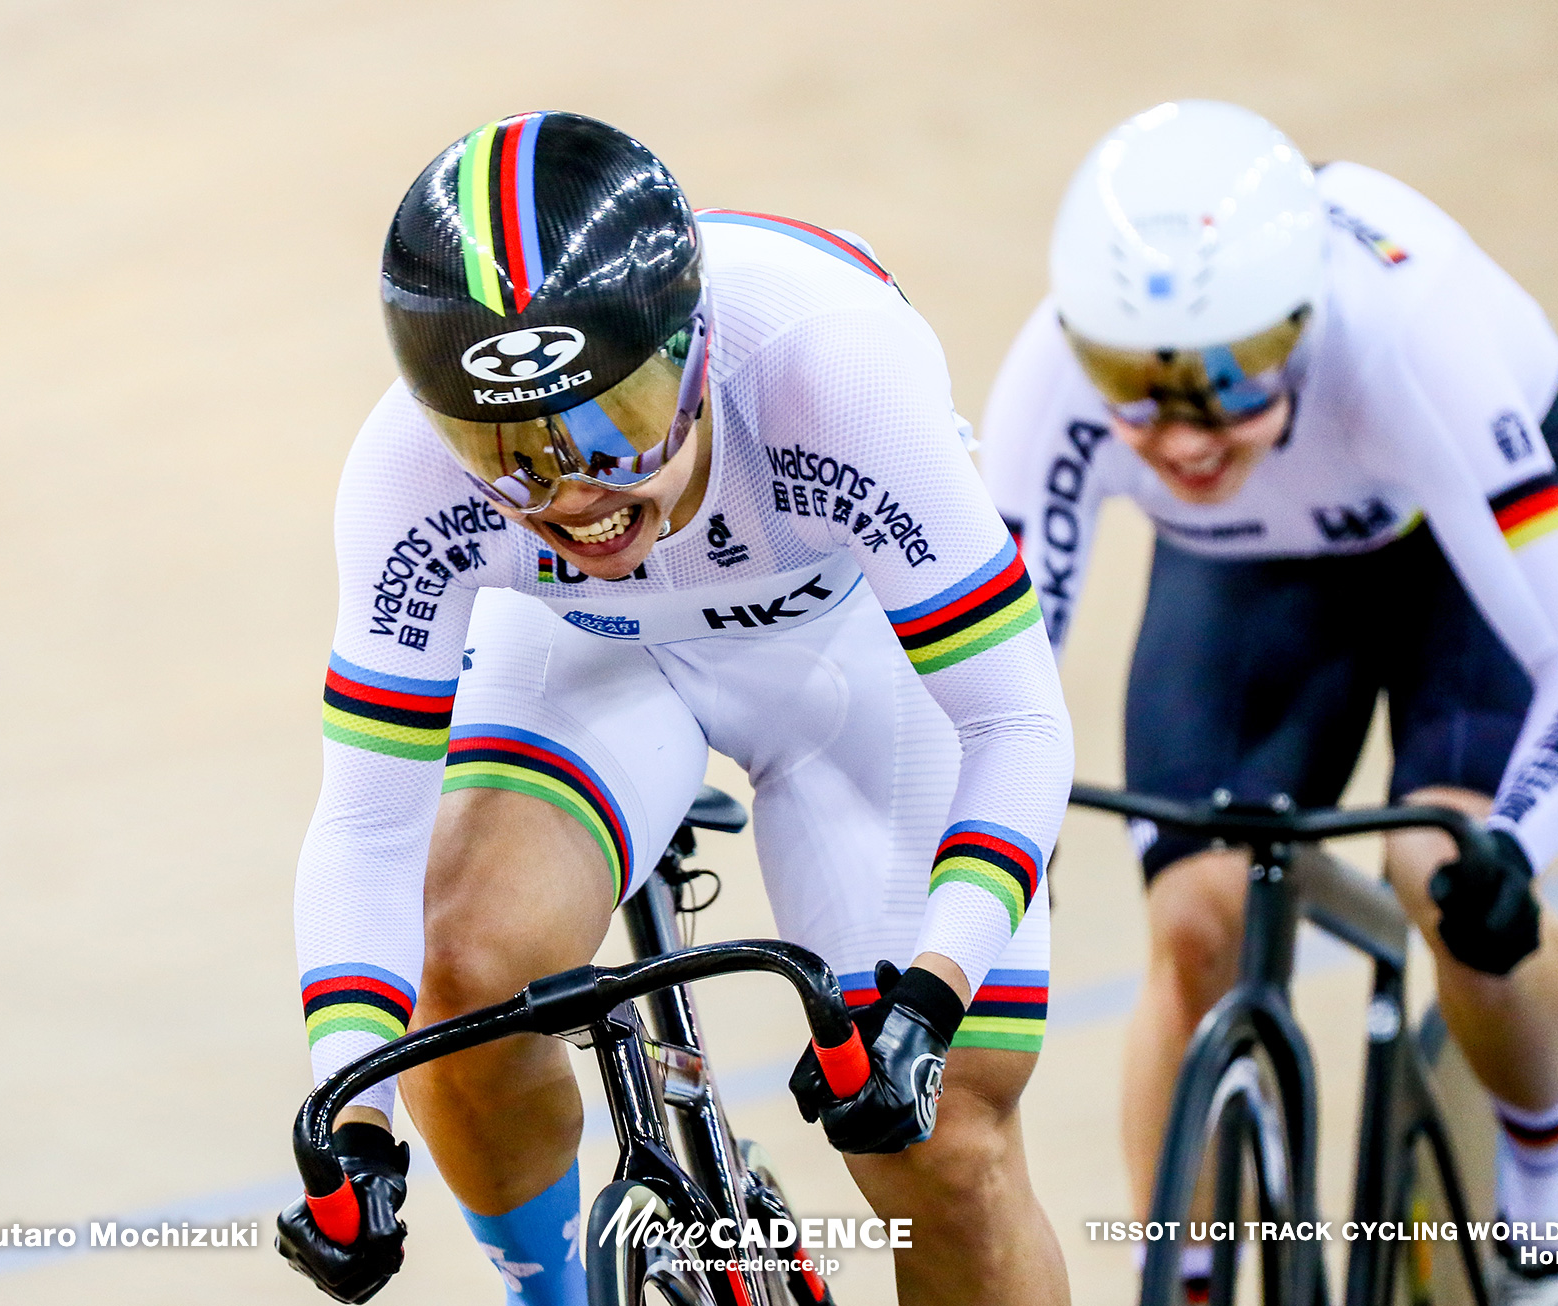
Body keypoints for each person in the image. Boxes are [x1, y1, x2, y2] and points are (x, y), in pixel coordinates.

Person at [274, 111, 1075, 1306]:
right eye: (512, 453)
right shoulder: (403, 473)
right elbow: (367, 827)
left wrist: (930, 993)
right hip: (591, 653)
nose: (580, 497)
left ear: (697, 351)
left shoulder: (832, 370)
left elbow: (1015, 725)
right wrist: (357, 1116)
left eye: (619, 426)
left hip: (847, 645)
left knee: (942, 1132)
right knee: (462, 967)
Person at [976, 101, 1558, 1305]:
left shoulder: (1406, 344)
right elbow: (989, 667)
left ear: (1300, 326)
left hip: (1457, 518)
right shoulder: (1056, 377)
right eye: (1138, 387)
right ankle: (1183, 1275)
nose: (1181, 433)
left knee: (1437, 872)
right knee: (1194, 916)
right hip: (1253, 548)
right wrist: (985, 831)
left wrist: (1511, 845)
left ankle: (1550, 1187)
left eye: (1230, 382)